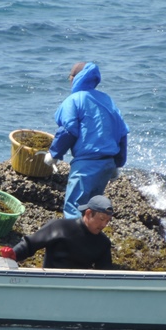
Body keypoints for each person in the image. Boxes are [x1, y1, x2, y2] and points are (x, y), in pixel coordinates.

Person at [42, 61, 129, 219]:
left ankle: (74, 243)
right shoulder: (107, 100)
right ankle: (89, 242)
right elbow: (122, 133)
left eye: (70, 77)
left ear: (76, 78)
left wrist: (54, 153)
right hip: (107, 164)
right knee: (93, 210)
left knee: (75, 208)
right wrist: (117, 163)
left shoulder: (74, 100)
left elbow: (68, 130)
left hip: (86, 166)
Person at [0, 195, 114, 270]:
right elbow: (30, 244)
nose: (104, 225)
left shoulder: (103, 243)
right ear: (88, 213)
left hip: (79, 287)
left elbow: (105, 274)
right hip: (51, 281)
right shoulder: (60, 227)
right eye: (102, 219)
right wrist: (13, 254)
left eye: (108, 221)